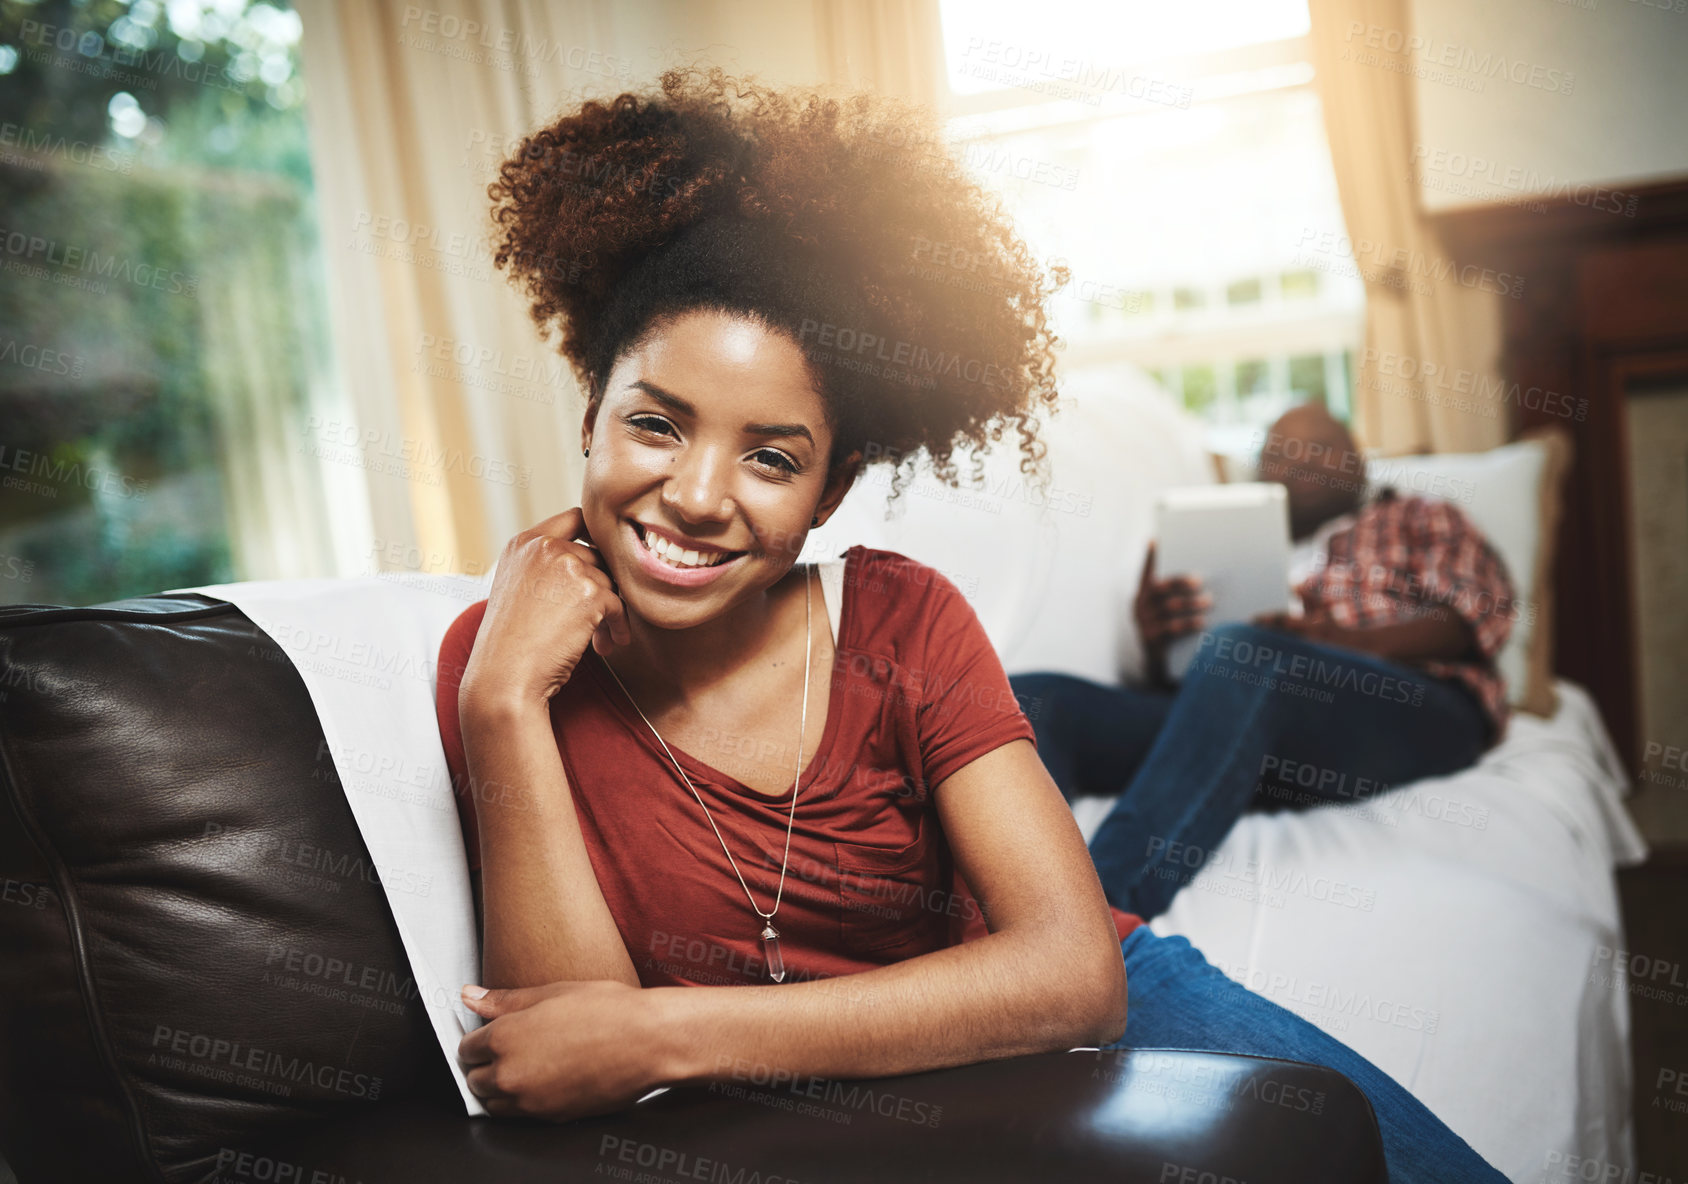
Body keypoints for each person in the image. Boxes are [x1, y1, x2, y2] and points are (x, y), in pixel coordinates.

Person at [430, 67, 1507, 1182]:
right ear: (589, 417)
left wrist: (666, 1028)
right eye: (654, 424)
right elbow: (563, 1062)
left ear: (830, 492)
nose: (699, 495)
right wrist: (501, 703)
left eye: (770, 456)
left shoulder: (903, 617)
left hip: (1084, 1020)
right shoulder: (505, 662)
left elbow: (1071, 975)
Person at [1010, 402, 1517, 920]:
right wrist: (1161, 641)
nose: (1295, 463)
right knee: (1034, 701)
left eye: (1317, 447)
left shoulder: (1417, 515)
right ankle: (1003, 911)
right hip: (1251, 722)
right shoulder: (1231, 542)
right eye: (1277, 452)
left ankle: (1088, 924)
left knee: (1242, 653)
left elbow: (1479, 615)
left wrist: (1334, 639)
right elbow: (1208, 692)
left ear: (1358, 462)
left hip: (1409, 705)